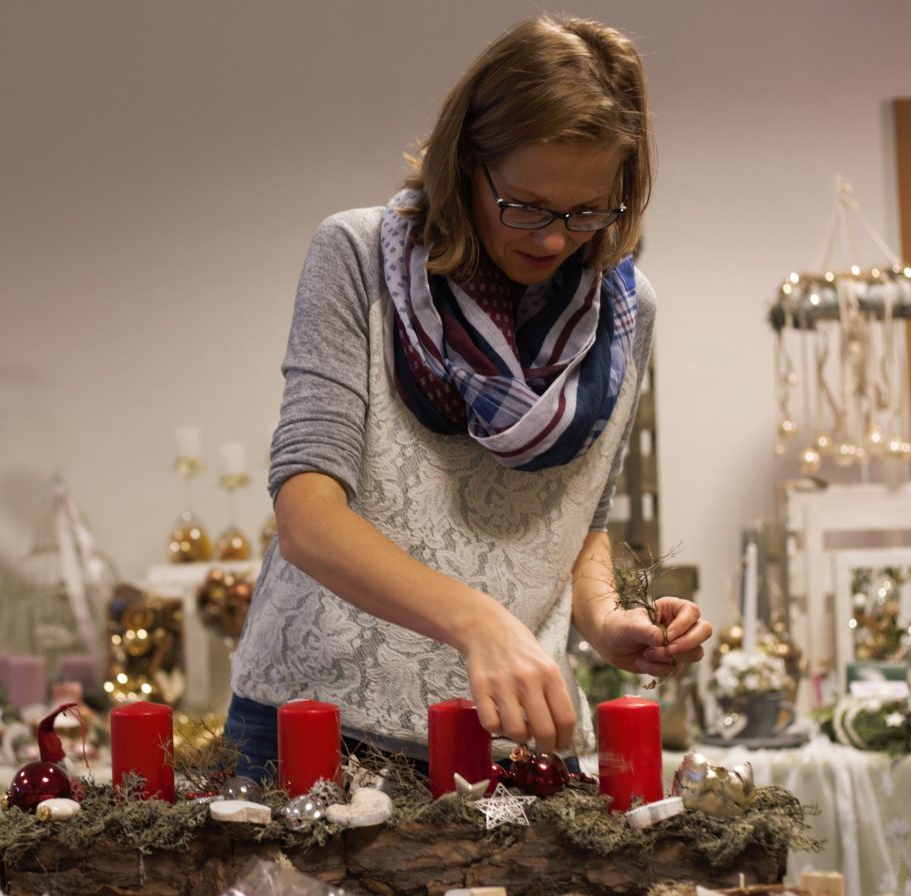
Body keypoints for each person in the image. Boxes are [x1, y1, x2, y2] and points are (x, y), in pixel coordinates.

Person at [227, 15, 713, 780]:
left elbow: (577, 523)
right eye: (525, 204)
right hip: (318, 728)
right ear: (464, 164)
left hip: (512, 736)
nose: (555, 239)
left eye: (589, 210)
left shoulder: (625, 309)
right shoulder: (355, 257)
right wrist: (479, 620)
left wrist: (605, 618)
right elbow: (308, 518)